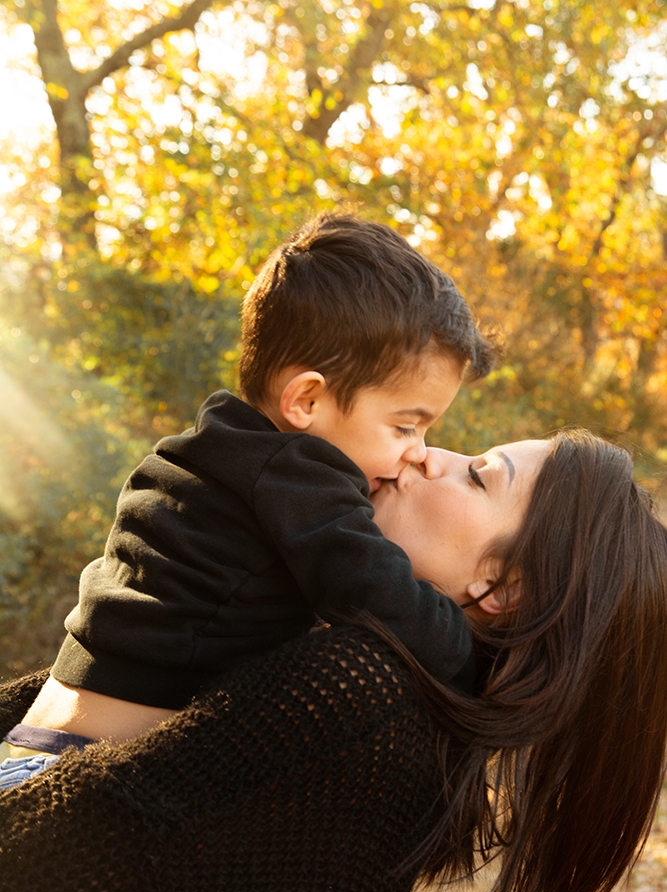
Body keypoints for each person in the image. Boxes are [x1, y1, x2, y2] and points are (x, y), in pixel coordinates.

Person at [0, 429, 666, 892]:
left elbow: (45, 871)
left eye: (478, 476)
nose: (431, 456)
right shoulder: (410, 696)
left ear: (502, 586)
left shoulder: (365, 689)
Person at [4, 212, 494, 774]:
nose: (420, 451)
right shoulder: (297, 478)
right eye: (407, 426)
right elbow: (381, 595)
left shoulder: (210, 450)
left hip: (34, 743)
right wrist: (472, 653)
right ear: (307, 401)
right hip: (83, 769)